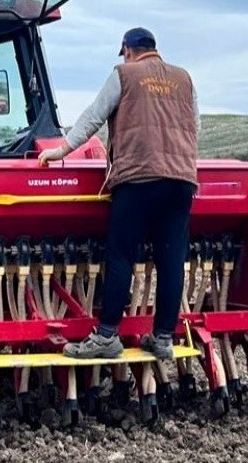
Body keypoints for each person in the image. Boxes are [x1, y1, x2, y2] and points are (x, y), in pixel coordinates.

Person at [38, 27, 199, 361]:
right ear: (155, 48)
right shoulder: (185, 79)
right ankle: (163, 337)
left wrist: (61, 150)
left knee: (122, 253)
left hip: (138, 178)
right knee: (172, 258)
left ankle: (107, 335)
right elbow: (193, 125)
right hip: (182, 181)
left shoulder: (124, 75)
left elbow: (94, 117)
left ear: (127, 49)